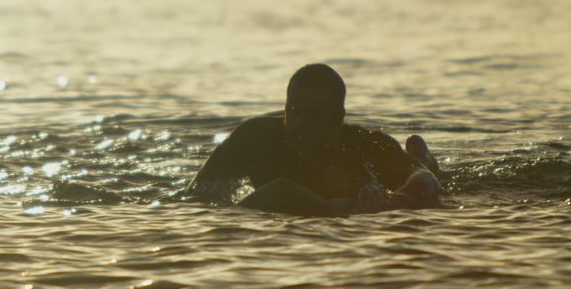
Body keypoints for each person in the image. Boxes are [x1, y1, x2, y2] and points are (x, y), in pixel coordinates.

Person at [185, 63, 443, 216]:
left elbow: (423, 179)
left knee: (430, 174)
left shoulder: (365, 144)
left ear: (338, 117)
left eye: (315, 116)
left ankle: (423, 155)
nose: (302, 125)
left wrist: (394, 202)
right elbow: (197, 194)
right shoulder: (254, 137)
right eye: (295, 113)